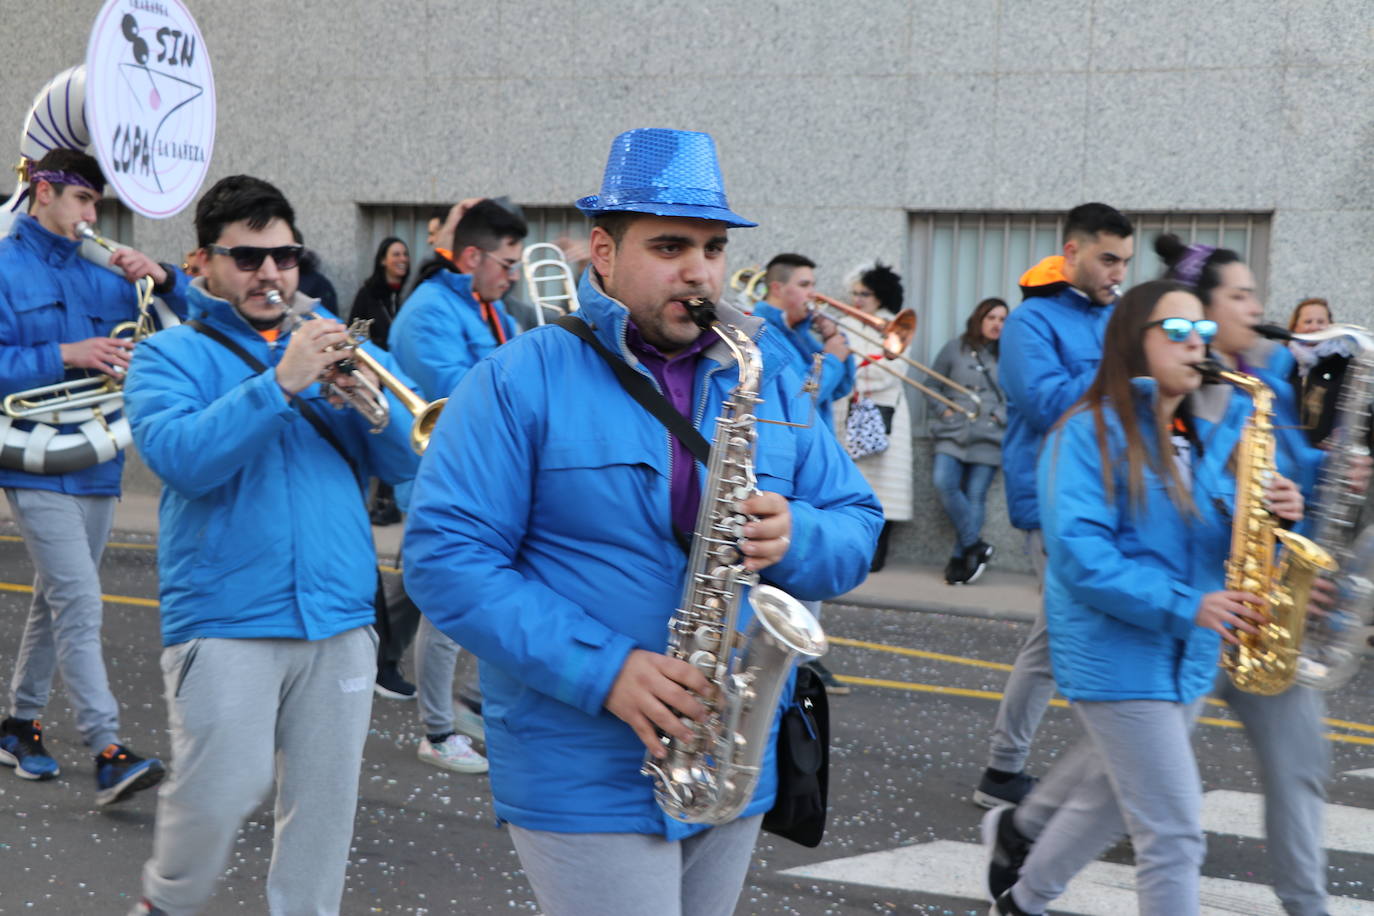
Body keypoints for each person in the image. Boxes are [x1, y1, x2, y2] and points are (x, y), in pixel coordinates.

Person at [402, 127, 881, 916]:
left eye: (714, 247)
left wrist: (801, 535)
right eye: (669, 246)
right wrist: (606, 669)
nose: (699, 270)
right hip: (579, 763)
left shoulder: (768, 375)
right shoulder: (520, 377)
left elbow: (857, 521)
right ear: (602, 251)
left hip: (731, 755)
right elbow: (447, 561)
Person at [122, 174, 421, 915]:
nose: (271, 274)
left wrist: (370, 407)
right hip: (227, 615)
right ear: (201, 265)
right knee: (219, 794)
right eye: (248, 258)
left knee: (324, 813)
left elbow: (412, 461)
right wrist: (279, 384)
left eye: (285, 257)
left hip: (339, 616)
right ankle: (167, 905)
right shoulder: (168, 357)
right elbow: (184, 459)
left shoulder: (330, 346)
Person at [985, 280, 1293, 916]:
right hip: (1116, 657)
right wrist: (1190, 605)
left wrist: (1270, 515)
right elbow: (1083, 559)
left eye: (1202, 332)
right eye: (1177, 332)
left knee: (1105, 802)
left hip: (1185, 657)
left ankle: (1022, 902)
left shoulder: (1201, 431)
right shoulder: (1084, 434)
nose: (1196, 345)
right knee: (1174, 834)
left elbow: (1208, 537)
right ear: (1133, 341)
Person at [1157, 233, 1334, 916]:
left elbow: (1282, 482)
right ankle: (1024, 835)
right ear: (1200, 309)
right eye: (1240, 295)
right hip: (1194, 606)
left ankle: (1306, 905)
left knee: (1301, 761)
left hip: (1261, 607)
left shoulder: (1266, 387)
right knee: (1129, 786)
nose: (1257, 307)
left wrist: (1305, 494)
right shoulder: (1172, 380)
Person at [0, 148, 183, 803]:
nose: (91, 215)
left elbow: (186, 324)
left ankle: (19, 725)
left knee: (57, 600)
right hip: (29, 456)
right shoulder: (1, 262)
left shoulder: (104, 270)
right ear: (43, 191)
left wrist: (161, 278)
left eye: (96, 205)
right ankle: (107, 748)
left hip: (99, 459)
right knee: (79, 600)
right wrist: (65, 354)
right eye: (82, 200)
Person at [973, 203, 1134, 808]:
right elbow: (1046, 405)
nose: (1117, 272)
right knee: (1078, 639)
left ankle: (1003, 770)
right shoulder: (1030, 322)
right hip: (1056, 499)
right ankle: (1120, 777)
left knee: (1055, 640)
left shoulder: (1118, 318)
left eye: (1124, 260)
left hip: (1114, 500)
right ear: (1072, 253)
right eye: (1107, 258)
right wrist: (1128, 372)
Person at [390, 198, 530, 773]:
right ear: (472, 256)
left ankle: (457, 702)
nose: (514, 274)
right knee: (446, 614)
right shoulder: (429, 312)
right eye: (507, 263)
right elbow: (463, 393)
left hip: (494, 476)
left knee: (455, 604)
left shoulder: (494, 308)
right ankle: (437, 731)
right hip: (447, 477)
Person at [752, 253, 857, 693]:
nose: (813, 294)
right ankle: (796, 662)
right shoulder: (764, 329)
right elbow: (804, 395)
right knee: (793, 572)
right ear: (778, 289)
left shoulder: (798, 332)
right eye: (805, 284)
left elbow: (842, 388)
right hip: (786, 468)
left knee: (809, 566)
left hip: (813, 460)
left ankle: (804, 657)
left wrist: (836, 349)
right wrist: (830, 358)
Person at [831, 263, 914, 572]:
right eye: (854, 293)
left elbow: (893, 371)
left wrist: (849, 373)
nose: (857, 300)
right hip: (845, 411)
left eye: (864, 294)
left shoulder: (895, 325)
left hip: (883, 413)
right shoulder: (841, 323)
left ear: (880, 296)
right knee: (851, 485)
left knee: (883, 487)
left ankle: (877, 552)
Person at [927, 297, 1008, 584]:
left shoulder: (1009, 354)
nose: (997, 324)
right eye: (991, 318)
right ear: (979, 319)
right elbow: (932, 384)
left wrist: (1000, 414)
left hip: (989, 435)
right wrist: (943, 410)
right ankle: (975, 543)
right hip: (953, 431)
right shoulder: (954, 348)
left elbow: (1019, 394)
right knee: (943, 483)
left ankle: (961, 556)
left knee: (976, 495)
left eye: (1002, 319)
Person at [350, 236, 412, 526]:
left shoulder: (408, 294)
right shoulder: (368, 295)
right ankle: (380, 501)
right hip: (376, 375)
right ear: (383, 260)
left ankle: (390, 500)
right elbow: (356, 335)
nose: (403, 259)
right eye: (396, 254)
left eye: (405, 254)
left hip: (399, 375)